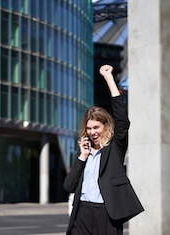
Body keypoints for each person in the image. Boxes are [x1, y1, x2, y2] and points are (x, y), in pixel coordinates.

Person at [63, 64, 144, 235]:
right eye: (89, 128)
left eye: (96, 127)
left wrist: (109, 78)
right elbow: (69, 186)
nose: (92, 132)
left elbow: (122, 120)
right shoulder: (84, 153)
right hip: (82, 213)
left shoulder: (115, 148)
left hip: (106, 214)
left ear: (106, 126)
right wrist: (82, 157)